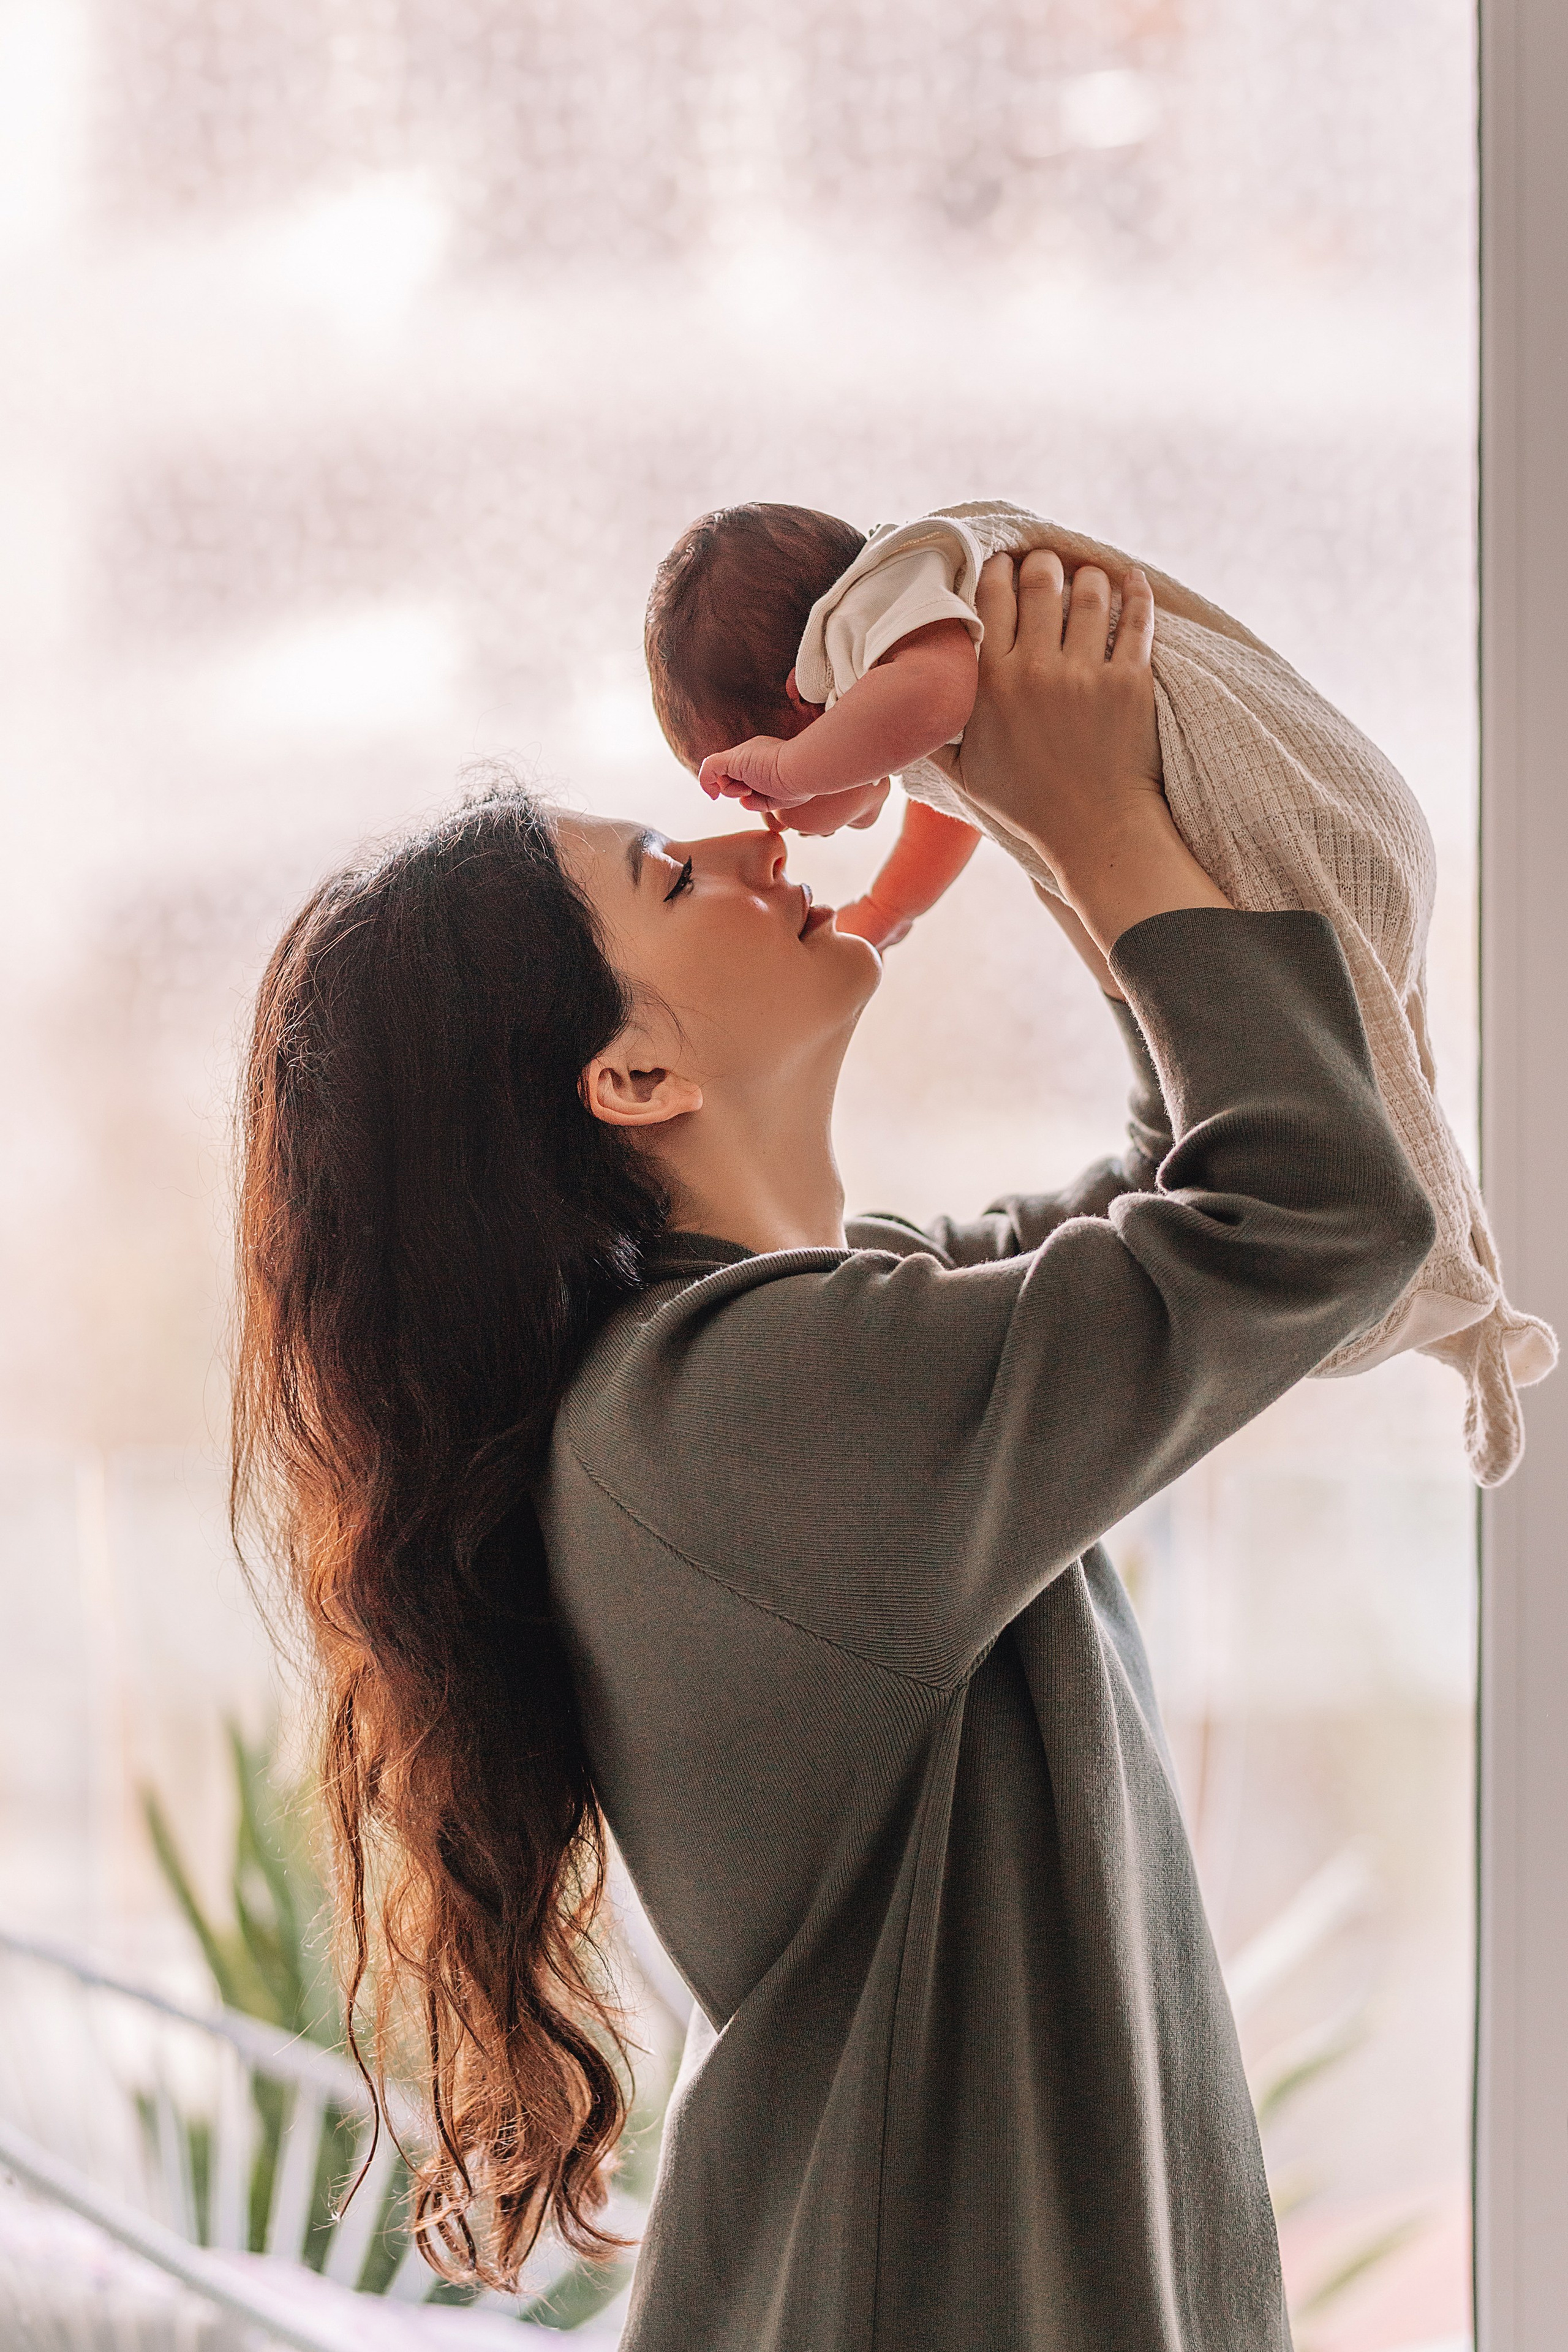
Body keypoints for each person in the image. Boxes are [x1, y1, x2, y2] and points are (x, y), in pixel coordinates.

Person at [232, 552, 1435, 2351]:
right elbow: (1314, 1218)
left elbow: (1213, 1208)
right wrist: (1093, 819)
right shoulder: (744, 1411)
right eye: (671, 872)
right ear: (632, 1078)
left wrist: (1043, 800)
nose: (749, 848)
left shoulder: (796, 1350)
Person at [644, 500, 1553, 1479]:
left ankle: (1467, 1309)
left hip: (1292, 812)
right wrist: (1075, 837)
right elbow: (1275, 1222)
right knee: (1374, 1066)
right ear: (631, 1077)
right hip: (1332, 831)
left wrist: (1084, 838)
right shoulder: (769, 1368)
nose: (763, 832)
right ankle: (1474, 1316)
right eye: (674, 878)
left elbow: (932, 718)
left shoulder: (888, 615)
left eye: (752, 789)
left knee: (1372, 1060)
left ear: (805, 694)